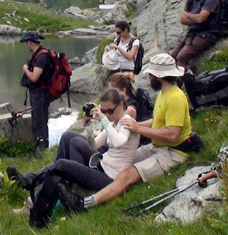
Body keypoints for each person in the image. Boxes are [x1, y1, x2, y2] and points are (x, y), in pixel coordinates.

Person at [57, 53, 193, 213]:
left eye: (151, 74)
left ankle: (82, 204)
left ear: (159, 76)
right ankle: (90, 180)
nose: (149, 77)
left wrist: (138, 129)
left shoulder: (175, 98)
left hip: (172, 152)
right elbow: (157, 122)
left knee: (127, 173)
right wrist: (132, 125)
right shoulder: (165, 93)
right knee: (123, 160)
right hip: (158, 146)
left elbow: (173, 135)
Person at [20, 90, 140, 228]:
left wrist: (103, 119)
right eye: (104, 111)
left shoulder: (127, 122)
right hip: (101, 167)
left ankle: (36, 209)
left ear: (121, 105)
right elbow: (94, 145)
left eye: (110, 111)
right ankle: (39, 208)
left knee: (60, 166)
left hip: (112, 178)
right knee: (70, 145)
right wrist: (88, 125)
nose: (108, 115)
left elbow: (120, 141)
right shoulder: (113, 123)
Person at [171, 0, 220, 70]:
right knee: (171, 57)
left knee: (181, 58)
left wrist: (190, 16)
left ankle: (184, 83)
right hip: (193, 34)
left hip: (206, 34)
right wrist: (195, 17)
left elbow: (201, 18)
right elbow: (183, 20)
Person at [21, 30, 54, 150]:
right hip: (38, 94)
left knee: (40, 122)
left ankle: (42, 149)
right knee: (38, 121)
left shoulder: (42, 56)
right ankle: (40, 147)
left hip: (40, 94)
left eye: (26, 42)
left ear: (30, 42)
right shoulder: (39, 54)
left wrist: (25, 69)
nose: (26, 45)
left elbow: (34, 77)